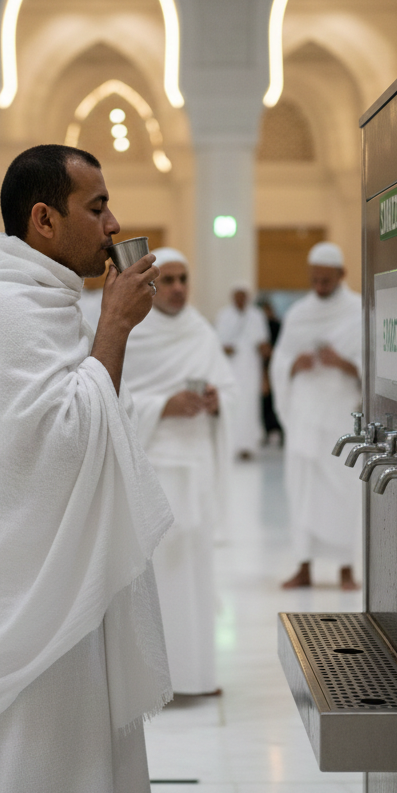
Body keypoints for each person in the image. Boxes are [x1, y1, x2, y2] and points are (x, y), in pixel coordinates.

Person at [0, 144, 173, 793]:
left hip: (53, 567)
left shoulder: (27, 295)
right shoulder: (7, 309)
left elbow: (84, 415)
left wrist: (108, 330)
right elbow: (62, 441)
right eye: (96, 206)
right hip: (28, 594)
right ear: (43, 220)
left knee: (79, 778)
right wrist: (114, 326)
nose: (113, 222)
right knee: (34, 778)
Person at [123, 248, 236, 696]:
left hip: (196, 467)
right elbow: (108, 396)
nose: (176, 288)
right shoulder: (129, 332)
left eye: (182, 278)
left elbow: (229, 387)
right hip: (150, 467)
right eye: (166, 280)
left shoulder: (199, 331)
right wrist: (162, 407)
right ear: (150, 285)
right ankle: (153, 682)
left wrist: (216, 401)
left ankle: (195, 676)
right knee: (155, 575)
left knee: (194, 570)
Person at [269, 242, 362, 590]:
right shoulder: (298, 314)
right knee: (302, 490)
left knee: (344, 491)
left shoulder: (358, 311)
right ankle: (304, 566)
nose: (320, 287)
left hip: (340, 414)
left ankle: (346, 569)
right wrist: (295, 364)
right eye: (315, 280)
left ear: (341, 275)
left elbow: (374, 368)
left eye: (326, 280)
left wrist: (344, 363)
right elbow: (280, 362)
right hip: (306, 414)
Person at [215, 284, 269, 459]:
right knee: (231, 405)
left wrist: (266, 374)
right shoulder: (223, 315)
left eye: (243, 295)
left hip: (250, 370)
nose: (240, 299)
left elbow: (264, 345)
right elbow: (215, 346)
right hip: (229, 370)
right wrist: (225, 349)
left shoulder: (257, 316)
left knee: (249, 407)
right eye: (237, 295)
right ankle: (230, 447)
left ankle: (247, 446)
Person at [257, 295, 283, 444]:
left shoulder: (277, 326)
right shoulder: (258, 326)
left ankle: (279, 433)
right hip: (262, 370)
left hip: (277, 369)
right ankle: (267, 432)